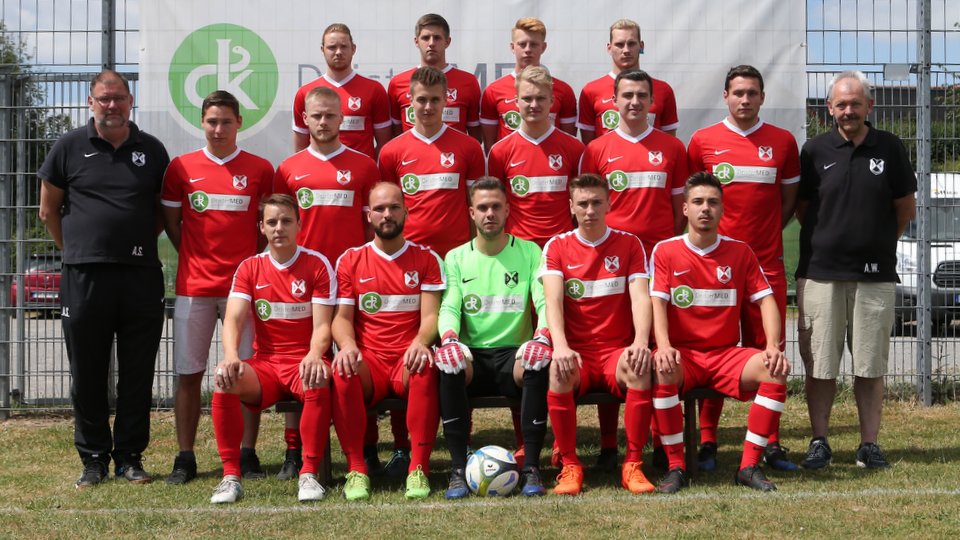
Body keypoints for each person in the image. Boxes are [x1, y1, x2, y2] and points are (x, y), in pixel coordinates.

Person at [38, 70, 169, 489]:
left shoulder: (152, 150)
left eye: (119, 98)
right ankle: (93, 457)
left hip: (140, 276)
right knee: (88, 371)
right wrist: (78, 250)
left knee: (137, 372)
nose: (112, 105)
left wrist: (127, 245)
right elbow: (48, 212)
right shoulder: (68, 147)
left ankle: (130, 456)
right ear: (90, 103)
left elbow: (160, 214)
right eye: (103, 99)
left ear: (131, 101)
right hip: (84, 276)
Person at [796, 70, 916, 470]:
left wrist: (875, 244)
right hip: (820, 273)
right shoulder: (814, 150)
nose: (848, 110)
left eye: (856, 103)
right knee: (820, 365)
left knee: (870, 364)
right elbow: (804, 209)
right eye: (841, 104)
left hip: (875, 275)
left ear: (870, 106)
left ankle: (869, 444)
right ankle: (820, 442)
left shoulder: (891, 147)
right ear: (829, 108)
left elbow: (904, 209)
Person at [686, 65, 801, 472]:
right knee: (714, 349)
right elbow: (696, 201)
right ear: (726, 95)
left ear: (762, 97)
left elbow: (787, 204)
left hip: (766, 263)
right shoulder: (702, 141)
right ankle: (708, 441)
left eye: (752, 92)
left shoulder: (783, 142)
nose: (745, 99)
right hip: (715, 267)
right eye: (738, 92)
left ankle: (771, 442)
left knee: (772, 352)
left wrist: (764, 238)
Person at [649, 172, 790, 494]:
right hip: (684, 355)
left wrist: (771, 345)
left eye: (713, 202)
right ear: (684, 209)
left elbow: (766, 300)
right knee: (662, 366)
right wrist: (665, 345)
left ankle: (748, 466)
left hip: (725, 353)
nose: (705, 209)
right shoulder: (665, 251)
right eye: (697, 202)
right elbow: (656, 303)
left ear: (722, 209)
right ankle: (675, 467)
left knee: (775, 369)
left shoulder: (740, 252)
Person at [160, 90, 272, 485]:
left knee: (245, 371)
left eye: (226, 121)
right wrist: (194, 256)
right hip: (194, 286)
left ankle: (247, 453)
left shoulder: (260, 169)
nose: (219, 129)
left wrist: (246, 268)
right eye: (212, 121)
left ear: (239, 122)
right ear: (201, 123)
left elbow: (264, 230)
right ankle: (185, 456)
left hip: (242, 289)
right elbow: (174, 226)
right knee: (189, 373)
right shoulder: (181, 168)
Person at [270, 85, 380, 479]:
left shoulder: (365, 166)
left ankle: (367, 449)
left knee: (355, 361)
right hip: (306, 282)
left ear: (342, 119)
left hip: (353, 280)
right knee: (304, 362)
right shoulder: (289, 168)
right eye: (315, 115)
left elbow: (373, 230)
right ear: (305, 119)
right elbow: (279, 228)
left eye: (330, 116)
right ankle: (293, 452)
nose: (322, 122)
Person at [208, 194, 336, 504]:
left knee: (316, 375)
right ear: (261, 228)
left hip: (303, 361)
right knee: (226, 378)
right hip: (266, 363)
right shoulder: (250, 267)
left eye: (286, 221)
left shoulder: (317, 264)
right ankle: (230, 477)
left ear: (299, 225)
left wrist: (313, 354)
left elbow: (322, 327)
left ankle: (308, 474)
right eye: (272, 222)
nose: (279, 228)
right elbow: (233, 319)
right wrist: (231, 356)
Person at [434, 178, 552, 499]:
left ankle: (530, 466)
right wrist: (449, 339)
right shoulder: (456, 257)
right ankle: (458, 469)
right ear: (471, 213)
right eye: (483, 208)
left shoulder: (529, 251)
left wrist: (542, 335)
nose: (490, 214)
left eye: (496, 207)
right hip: (474, 356)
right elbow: (450, 306)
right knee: (450, 364)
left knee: (537, 362)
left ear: (508, 210)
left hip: (514, 356)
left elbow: (543, 301)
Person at [540, 173, 656, 496]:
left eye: (596, 203)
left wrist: (639, 342)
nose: (589, 210)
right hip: (576, 351)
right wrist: (560, 346)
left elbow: (640, 297)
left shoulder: (630, 244)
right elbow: (553, 301)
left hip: (614, 350)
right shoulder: (557, 246)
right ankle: (570, 464)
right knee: (557, 371)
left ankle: (633, 464)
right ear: (571, 207)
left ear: (609, 203)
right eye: (583, 204)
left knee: (638, 365)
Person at [330, 182, 443, 500]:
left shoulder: (426, 258)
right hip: (372, 362)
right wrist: (349, 346)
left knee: (425, 367)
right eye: (379, 208)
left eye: (394, 207)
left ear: (406, 212)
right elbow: (341, 318)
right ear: (368, 215)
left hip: (406, 359)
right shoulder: (351, 260)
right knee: (343, 369)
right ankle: (357, 469)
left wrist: (421, 342)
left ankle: (418, 469)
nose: (387, 214)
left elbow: (431, 316)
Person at [379, 66, 485, 258]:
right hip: (409, 254)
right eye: (422, 99)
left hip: (458, 255)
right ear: (410, 100)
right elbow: (388, 212)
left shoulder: (470, 147)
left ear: (446, 100)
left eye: (435, 99)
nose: (428, 107)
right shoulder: (390, 152)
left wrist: (474, 252)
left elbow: (475, 205)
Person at [487, 65, 584, 248]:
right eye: (527, 98)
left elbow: (582, 204)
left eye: (540, 98)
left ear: (552, 101)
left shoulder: (574, 148)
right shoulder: (499, 151)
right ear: (516, 101)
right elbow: (495, 205)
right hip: (517, 248)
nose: (534, 105)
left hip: (562, 247)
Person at [291, 23, 392, 158]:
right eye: (332, 47)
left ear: (353, 49)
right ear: (322, 50)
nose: (338, 52)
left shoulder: (374, 90)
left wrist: (367, 168)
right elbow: (300, 149)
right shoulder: (305, 93)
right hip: (321, 175)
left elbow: (384, 146)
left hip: (361, 176)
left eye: (343, 46)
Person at [480, 17, 577, 151]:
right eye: (522, 44)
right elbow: (490, 149)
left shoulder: (563, 90)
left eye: (533, 44)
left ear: (543, 47)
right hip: (512, 165)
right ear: (512, 47)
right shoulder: (493, 91)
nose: (528, 49)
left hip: (553, 163)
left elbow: (569, 142)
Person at [578, 19, 678, 144]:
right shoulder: (590, 91)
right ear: (609, 48)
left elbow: (670, 145)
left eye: (631, 44)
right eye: (619, 44)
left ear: (641, 46)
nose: (626, 50)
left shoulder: (663, 90)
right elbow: (589, 148)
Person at [387, 13, 482, 141]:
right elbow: (395, 134)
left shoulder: (468, 82)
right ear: (416, 41)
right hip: (411, 158)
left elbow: (475, 136)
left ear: (447, 42)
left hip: (452, 159)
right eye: (426, 38)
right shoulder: (397, 83)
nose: (431, 43)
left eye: (437, 38)